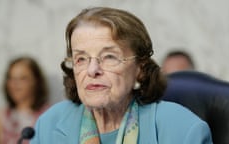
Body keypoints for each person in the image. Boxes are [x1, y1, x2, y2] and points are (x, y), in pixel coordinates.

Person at [31, 7, 213, 144]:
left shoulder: (184, 131)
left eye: (109, 56)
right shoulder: (49, 124)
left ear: (139, 69)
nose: (92, 70)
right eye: (81, 59)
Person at [0, 57, 49, 144]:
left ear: (36, 81)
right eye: (11, 78)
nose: (15, 84)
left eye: (22, 78)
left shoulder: (48, 114)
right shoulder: (2, 115)